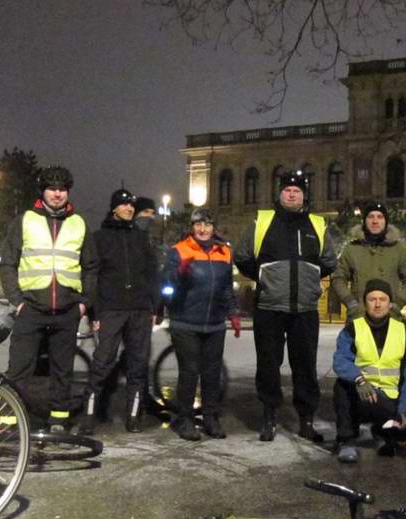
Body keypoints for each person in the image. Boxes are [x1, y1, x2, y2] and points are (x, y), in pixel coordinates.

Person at [234, 170, 337, 442]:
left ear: (304, 196)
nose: (292, 193)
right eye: (288, 190)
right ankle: (269, 417)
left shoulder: (317, 224)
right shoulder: (263, 221)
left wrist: (310, 279)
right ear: (280, 194)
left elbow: (329, 261)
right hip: (270, 306)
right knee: (268, 365)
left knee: (305, 366)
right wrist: (265, 277)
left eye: (298, 190)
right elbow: (242, 255)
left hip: (304, 309)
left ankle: (306, 420)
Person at [0, 165, 98, 432]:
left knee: (62, 370)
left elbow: (91, 266)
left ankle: (58, 419)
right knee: (19, 368)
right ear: (42, 191)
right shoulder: (25, 220)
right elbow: (8, 262)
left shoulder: (79, 223)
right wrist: (16, 300)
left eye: (62, 189)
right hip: (31, 307)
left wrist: (83, 302)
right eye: (52, 189)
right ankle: (10, 421)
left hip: (66, 309)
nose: (57, 194)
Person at [78, 189, 159, 435]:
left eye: (132, 206)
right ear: (114, 208)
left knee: (138, 364)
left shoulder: (141, 237)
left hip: (139, 309)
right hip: (111, 309)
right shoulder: (99, 237)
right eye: (124, 205)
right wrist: (94, 313)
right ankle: (89, 416)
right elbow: (92, 275)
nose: (129, 209)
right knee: (102, 362)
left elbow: (152, 272)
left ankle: (133, 417)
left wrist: (155, 305)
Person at [332, 279, 406, 463]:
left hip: (388, 400)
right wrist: (359, 380)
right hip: (361, 395)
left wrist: (404, 410)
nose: (377, 304)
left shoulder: (404, 333)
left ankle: (383, 431)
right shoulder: (353, 329)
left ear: (390, 303)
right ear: (365, 302)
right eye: (372, 299)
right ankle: (346, 440)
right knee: (341, 387)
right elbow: (340, 360)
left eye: (382, 299)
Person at [162, 209, 240, 441]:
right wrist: (179, 273)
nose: (203, 229)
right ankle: (184, 419)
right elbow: (166, 285)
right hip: (185, 322)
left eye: (207, 224)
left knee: (212, 374)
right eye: (198, 224)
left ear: (214, 227)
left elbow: (227, 287)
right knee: (189, 372)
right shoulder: (179, 250)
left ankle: (210, 418)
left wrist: (233, 313)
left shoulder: (224, 252)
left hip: (215, 324)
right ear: (192, 227)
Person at [331, 202, 406, 320]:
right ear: (364, 221)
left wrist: (397, 303)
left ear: (386, 222)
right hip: (359, 317)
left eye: (380, 217)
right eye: (371, 217)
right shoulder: (352, 248)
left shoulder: (397, 249)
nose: (375, 221)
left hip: (390, 317)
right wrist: (351, 303)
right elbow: (338, 278)